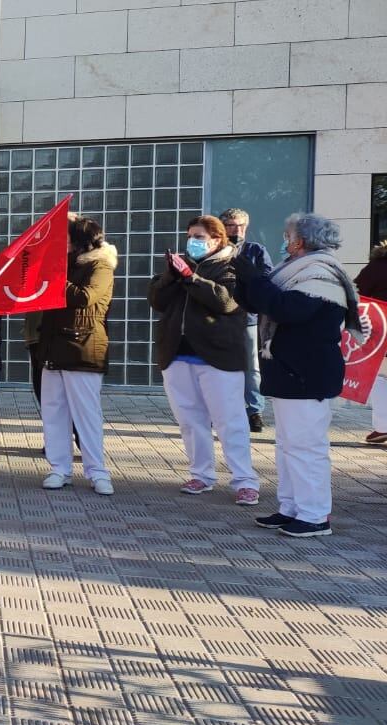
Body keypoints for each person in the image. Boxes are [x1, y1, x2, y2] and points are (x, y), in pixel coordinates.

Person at [237, 213, 362, 539]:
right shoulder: (294, 271)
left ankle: (314, 515)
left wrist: (256, 279)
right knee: (289, 446)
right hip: (290, 372)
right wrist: (244, 280)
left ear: (301, 241)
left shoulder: (320, 273)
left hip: (308, 373)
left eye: (288, 235)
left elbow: (286, 309)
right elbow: (260, 300)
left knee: (306, 447)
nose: (285, 240)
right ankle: (291, 508)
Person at [149, 215, 260, 505]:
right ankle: (201, 474)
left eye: (198, 237)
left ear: (216, 239)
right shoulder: (179, 265)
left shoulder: (232, 264)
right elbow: (158, 301)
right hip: (178, 353)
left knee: (230, 420)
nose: (192, 242)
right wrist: (170, 277)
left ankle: (245, 480)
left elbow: (225, 301)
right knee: (190, 419)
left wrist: (191, 279)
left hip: (218, 355)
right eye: (190, 236)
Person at [39, 215, 116, 496]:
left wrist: (56, 277)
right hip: (53, 349)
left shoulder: (101, 265)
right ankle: (59, 468)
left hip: (83, 348)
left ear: (81, 241)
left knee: (86, 415)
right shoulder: (66, 264)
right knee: (54, 412)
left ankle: (97, 471)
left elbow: (85, 297)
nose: (64, 243)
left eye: (68, 238)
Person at [222, 208, 272, 433]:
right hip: (219, 316)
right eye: (232, 225)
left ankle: (254, 411)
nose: (237, 230)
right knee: (221, 364)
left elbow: (267, 279)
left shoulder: (255, 250)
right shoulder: (217, 249)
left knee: (252, 366)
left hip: (247, 316)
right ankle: (223, 409)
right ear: (223, 226)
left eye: (241, 225)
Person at [357, 240, 387, 447]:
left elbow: (357, 291)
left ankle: (384, 427)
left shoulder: (378, 265)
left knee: (379, 377)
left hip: (381, 327)